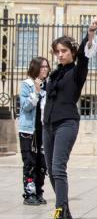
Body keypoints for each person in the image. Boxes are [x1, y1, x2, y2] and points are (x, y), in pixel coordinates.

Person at [42, 19, 97, 219]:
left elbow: (84, 55)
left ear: (72, 52)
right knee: (50, 171)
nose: (60, 55)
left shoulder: (77, 72)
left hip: (67, 123)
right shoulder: (55, 74)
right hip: (48, 125)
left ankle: (59, 218)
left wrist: (90, 32)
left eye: (64, 51)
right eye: (57, 51)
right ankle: (65, 209)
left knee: (58, 168)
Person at [18, 57, 50, 206]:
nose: (45, 69)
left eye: (46, 67)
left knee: (42, 163)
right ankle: (29, 194)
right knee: (30, 162)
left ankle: (38, 191)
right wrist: (36, 92)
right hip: (28, 131)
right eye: (42, 67)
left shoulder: (48, 85)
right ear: (35, 68)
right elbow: (25, 106)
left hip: (43, 130)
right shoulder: (27, 84)